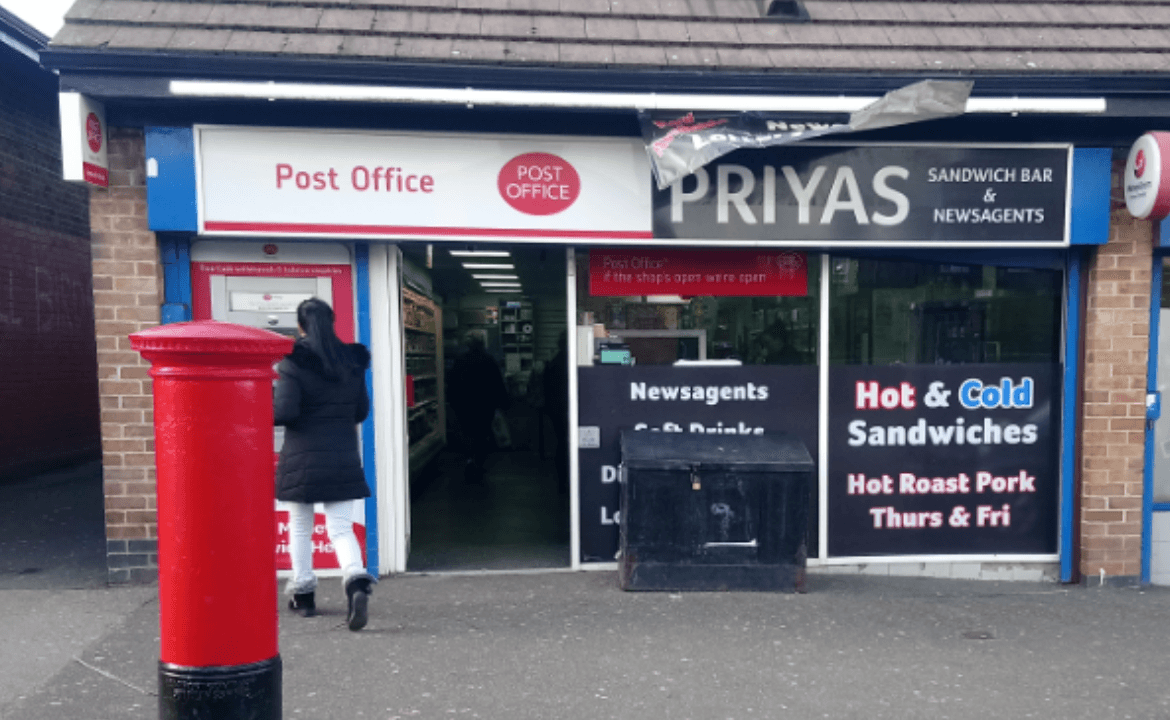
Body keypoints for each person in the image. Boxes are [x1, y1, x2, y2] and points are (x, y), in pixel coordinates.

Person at [274, 298, 376, 631]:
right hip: (343, 455)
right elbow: (361, 411)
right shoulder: (351, 361)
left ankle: (304, 596)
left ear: (301, 326)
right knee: (341, 528)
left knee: (301, 526)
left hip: (302, 456)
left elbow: (286, 412)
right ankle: (355, 581)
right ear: (332, 322)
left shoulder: (294, 362)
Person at [449, 330, 509, 484]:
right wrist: (504, 402)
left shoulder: (461, 360)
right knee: (482, 435)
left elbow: (453, 385)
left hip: (465, 407)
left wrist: (453, 404)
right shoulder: (488, 360)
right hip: (484, 406)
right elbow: (497, 383)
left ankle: (469, 460)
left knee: (468, 434)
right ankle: (479, 463)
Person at [542, 331, 569, 494]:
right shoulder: (573, 361)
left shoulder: (553, 362)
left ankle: (562, 482)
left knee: (562, 444)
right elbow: (624, 358)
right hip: (568, 408)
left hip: (557, 410)